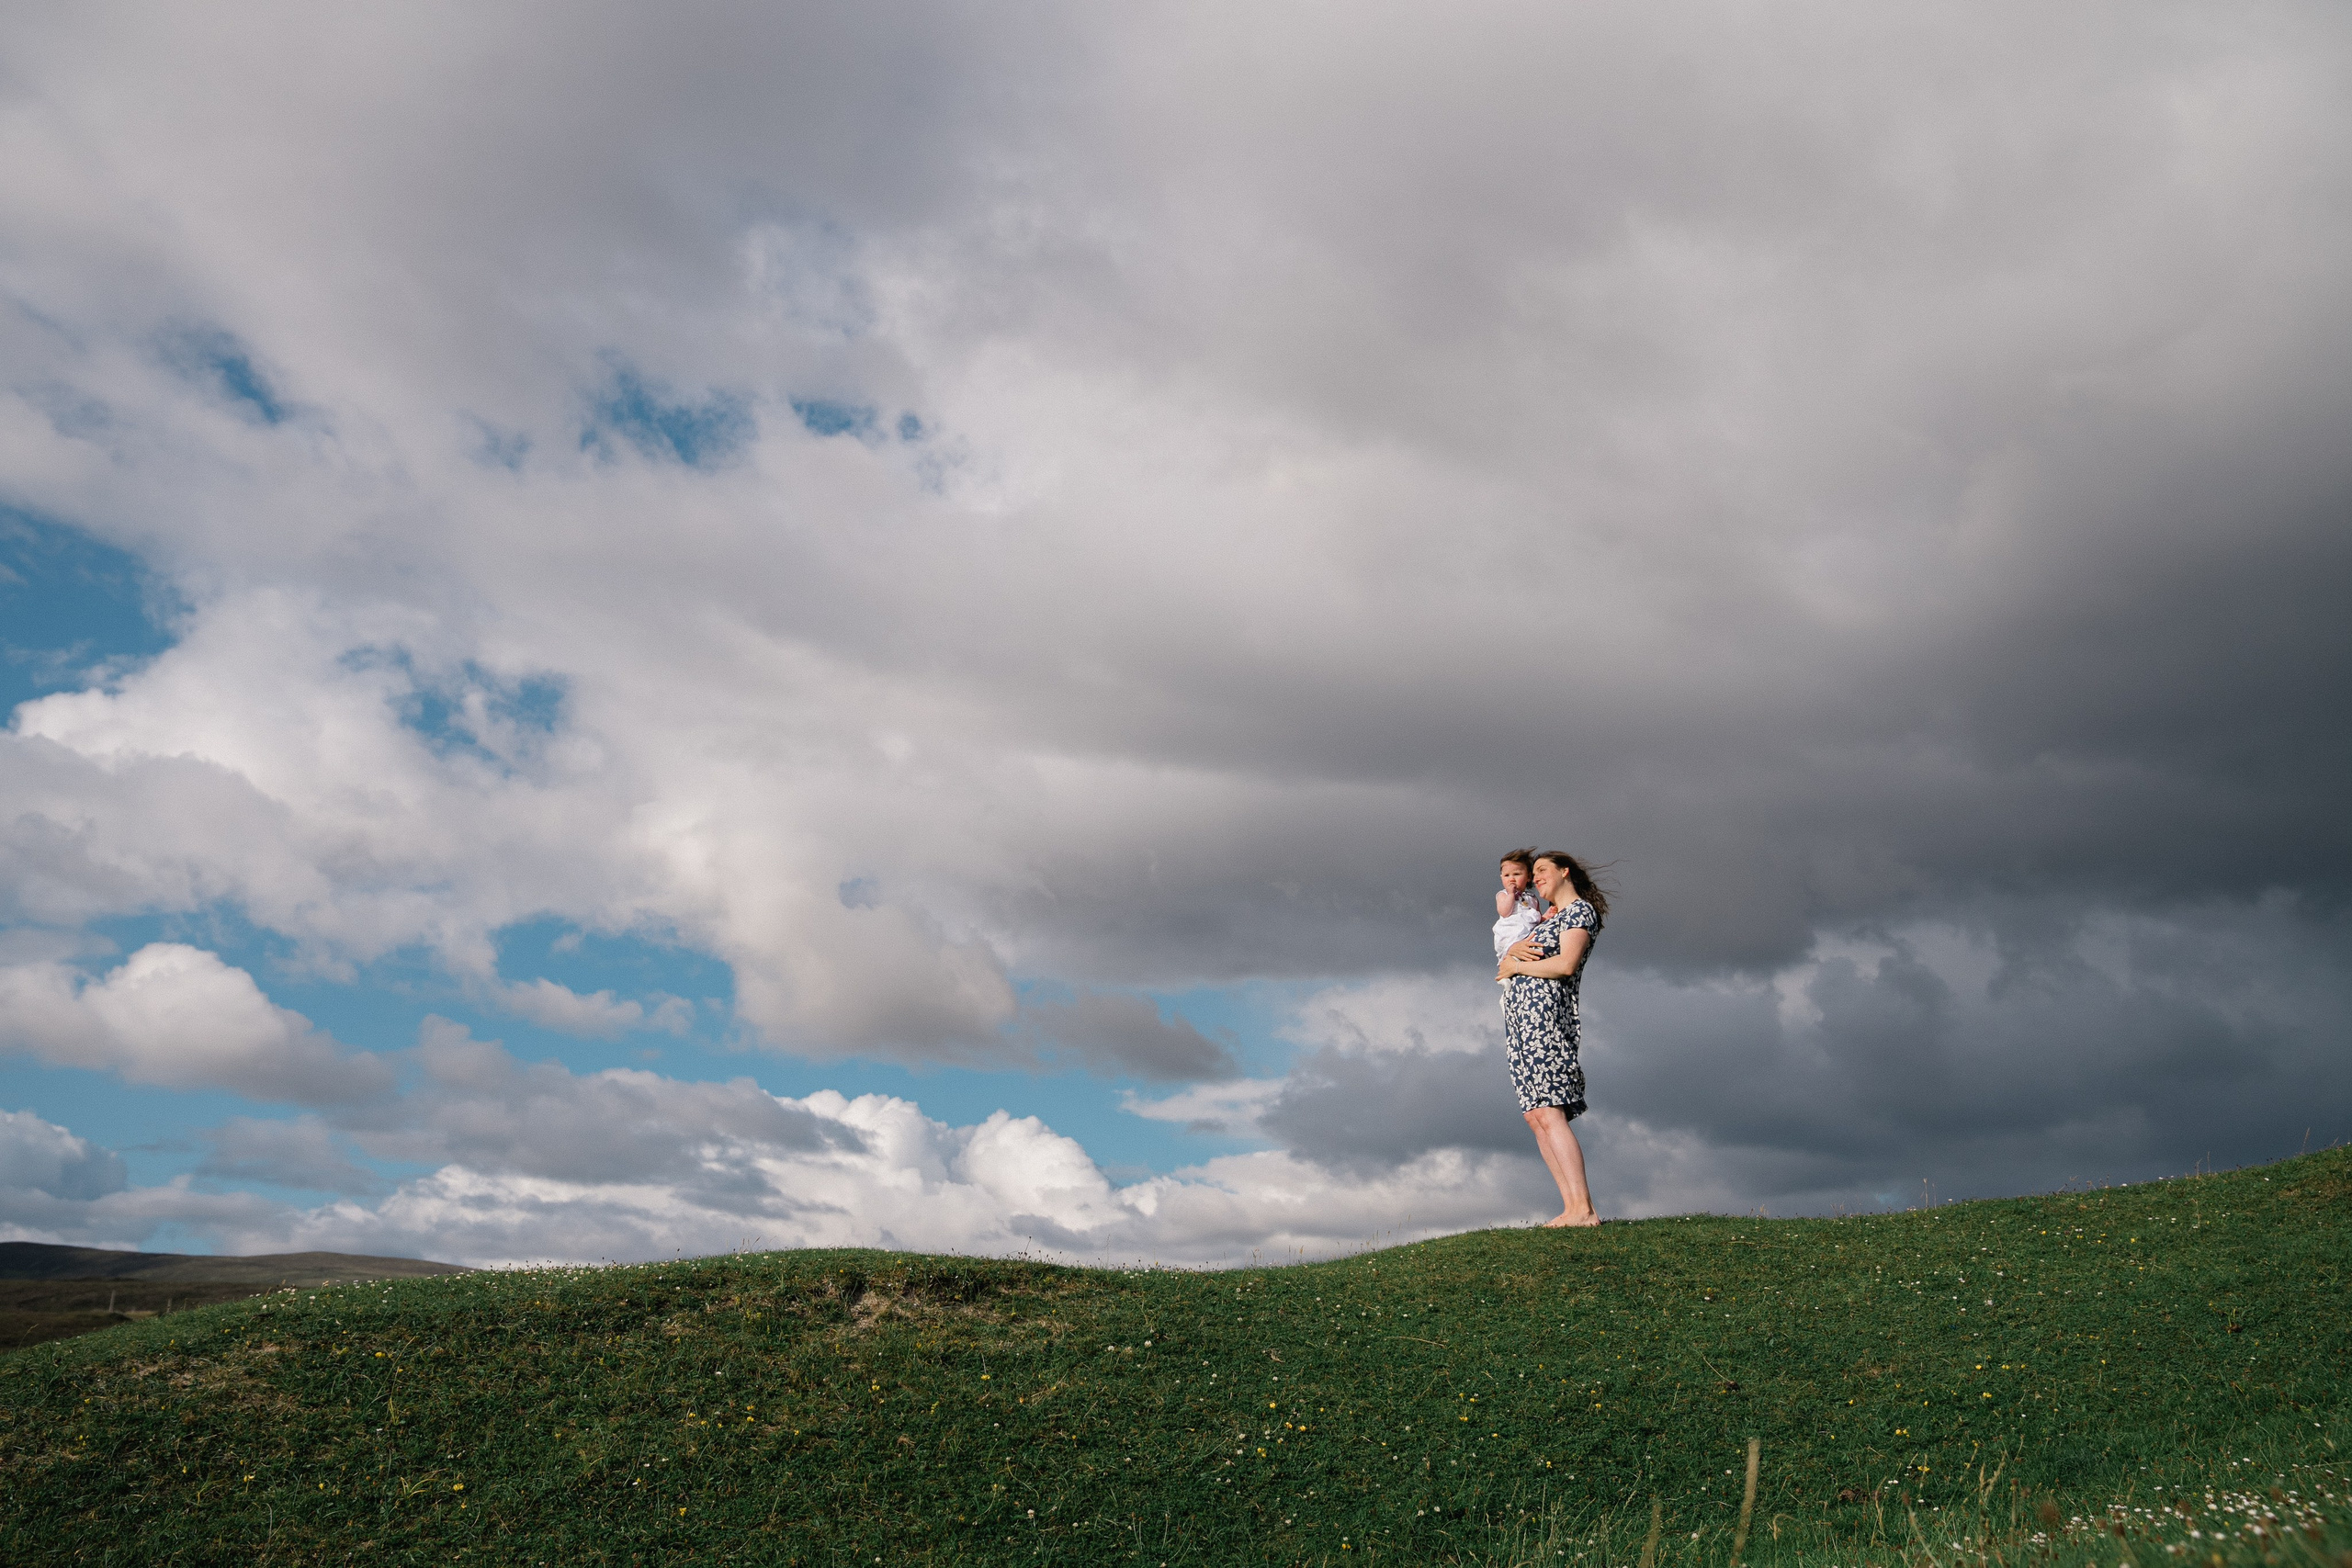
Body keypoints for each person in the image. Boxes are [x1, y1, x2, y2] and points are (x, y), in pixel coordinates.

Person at [1495, 850, 1610, 1227]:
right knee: (1536, 1115)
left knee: (1552, 1110)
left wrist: (1518, 965)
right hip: (1522, 1024)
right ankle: (1570, 1207)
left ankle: (1584, 1208)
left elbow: (1566, 964)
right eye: (1534, 872)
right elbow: (1511, 948)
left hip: (1547, 1021)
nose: (1536, 877)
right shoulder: (1548, 918)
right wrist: (1512, 954)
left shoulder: (1579, 913)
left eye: (1543, 870)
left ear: (1565, 872)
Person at [1492, 848, 1545, 966]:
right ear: (1501, 877)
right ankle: (1506, 972)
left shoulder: (1532, 898)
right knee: (1511, 955)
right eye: (1507, 875)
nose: (1511, 879)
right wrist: (1511, 894)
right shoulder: (1503, 895)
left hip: (1528, 933)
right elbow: (1504, 912)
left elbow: (1537, 920)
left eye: (1516, 874)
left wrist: (1547, 916)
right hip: (1511, 932)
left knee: (1528, 954)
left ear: (1528, 877)